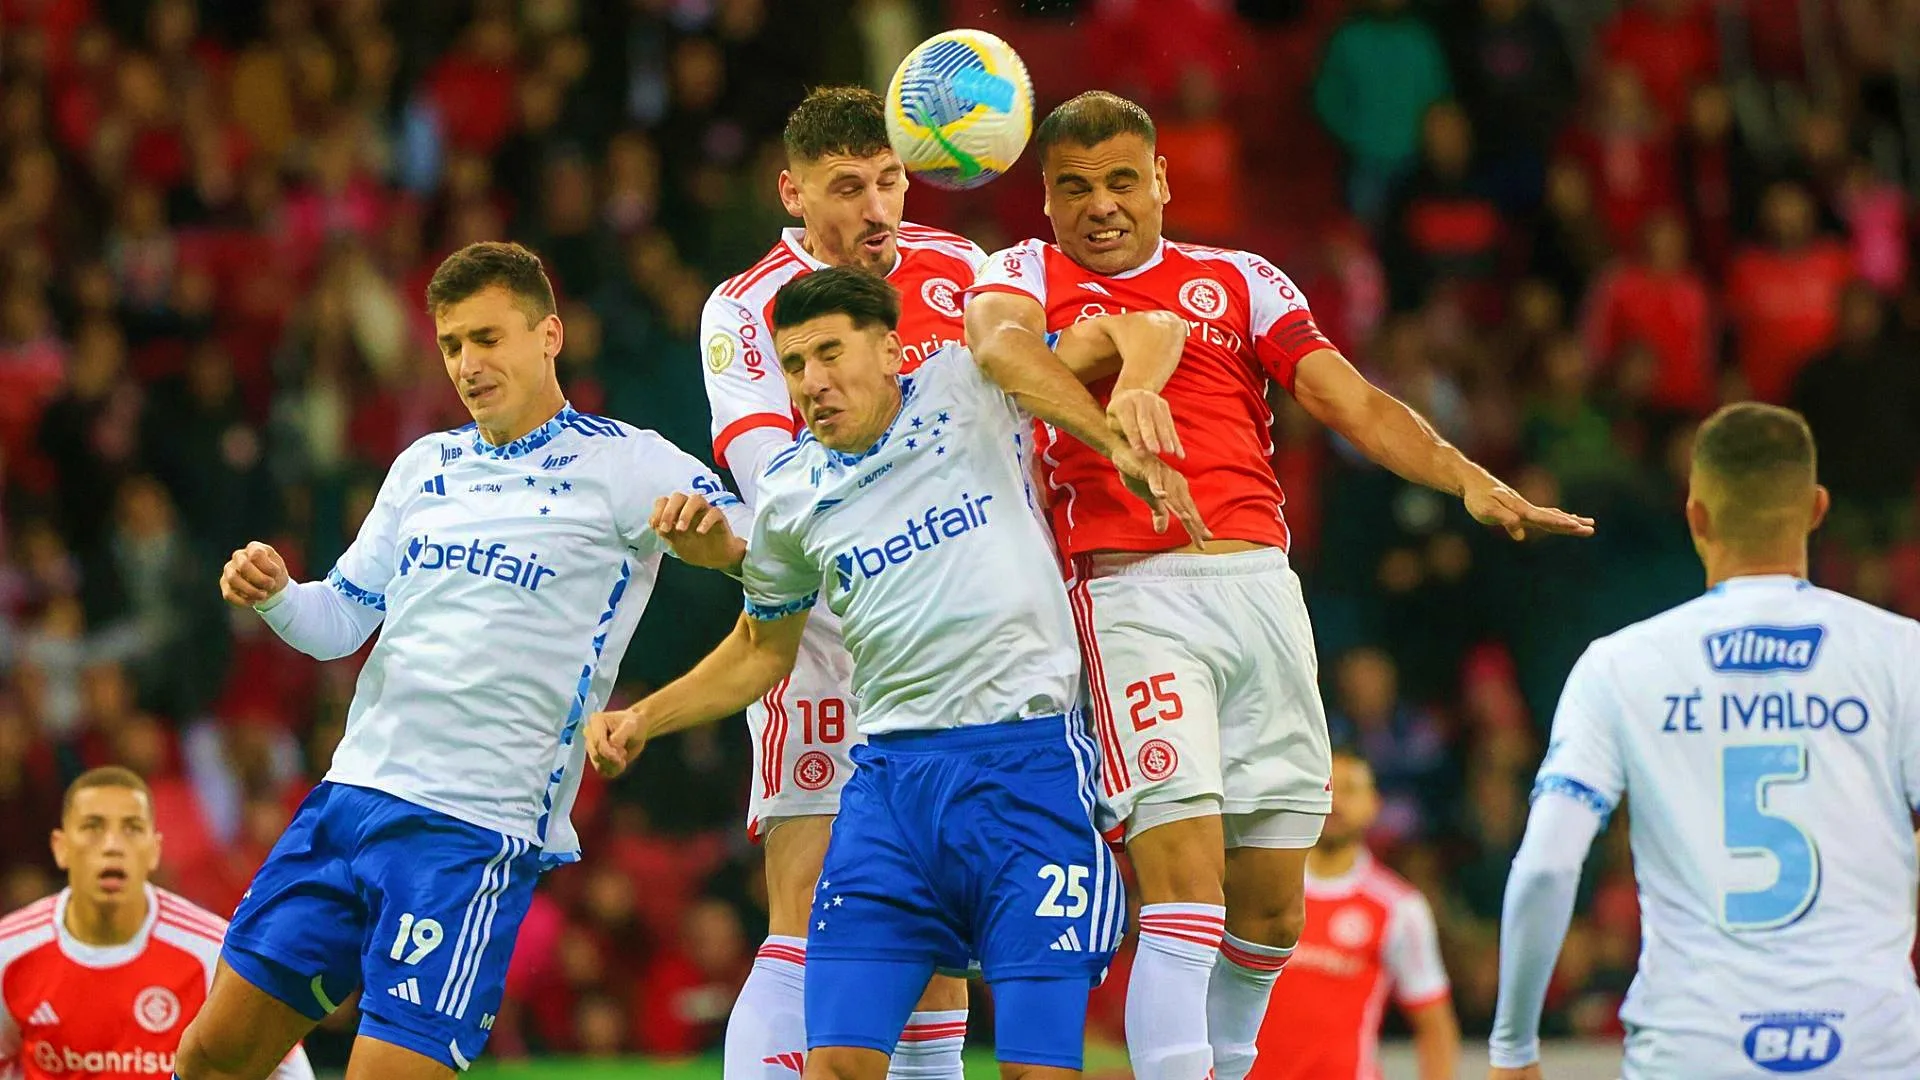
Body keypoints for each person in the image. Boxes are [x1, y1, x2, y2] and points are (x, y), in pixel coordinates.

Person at [964, 90, 1593, 1080]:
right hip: (1129, 595)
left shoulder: (1241, 279)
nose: (1101, 205)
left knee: (1269, 912)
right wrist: (1114, 431)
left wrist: (1464, 476)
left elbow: (1352, 400)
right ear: (1045, 199)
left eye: (1122, 180)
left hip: (1262, 590)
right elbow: (1000, 354)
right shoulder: (1023, 275)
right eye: (1074, 188)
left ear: (1162, 181)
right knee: (1183, 891)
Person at [587, 266, 1205, 1080]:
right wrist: (644, 719)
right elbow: (762, 650)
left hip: (1026, 774)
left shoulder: (969, 383)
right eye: (793, 364)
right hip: (889, 793)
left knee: (1035, 1071)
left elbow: (1148, 325)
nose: (811, 381)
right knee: (838, 1063)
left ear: (887, 350)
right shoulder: (791, 497)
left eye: (829, 354)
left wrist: (1135, 394)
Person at [175, 242, 752, 1080]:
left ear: (549, 335)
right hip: (350, 799)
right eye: (451, 345)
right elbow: (341, 621)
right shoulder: (424, 466)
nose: (467, 365)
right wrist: (278, 596)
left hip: (471, 832)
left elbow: (758, 544)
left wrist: (720, 546)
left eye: (487, 338)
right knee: (212, 1055)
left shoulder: (628, 462)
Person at [1489, 403, 1920, 1078]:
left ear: (1696, 516)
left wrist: (1513, 1046)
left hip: (1693, 1047)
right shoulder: (1903, 656)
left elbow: (1546, 865)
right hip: (1871, 1049)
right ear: (1816, 509)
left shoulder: (1620, 666)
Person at [697, 86, 987, 1080]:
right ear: (794, 192)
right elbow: (768, 476)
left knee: (937, 936)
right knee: (813, 906)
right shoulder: (745, 306)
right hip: (826, 636)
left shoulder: (963, 270)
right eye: (848, 187)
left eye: (890, 182)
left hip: (952, 642)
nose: (877, 209)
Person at [0, 767, 313, 1079]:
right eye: (93, 827)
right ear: (61, 847)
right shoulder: (8, 953)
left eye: (132, 828)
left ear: (154, 850)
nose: (112, 845)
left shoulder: (215, 955)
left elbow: (289, 1072)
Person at [1252, 749, 1457, 1080]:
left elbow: (1435, 1025)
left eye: (1349, 790)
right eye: (1326, 787)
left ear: (1374, 805)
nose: (1335, 802)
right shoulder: (1259, 887)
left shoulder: (1399, 908)